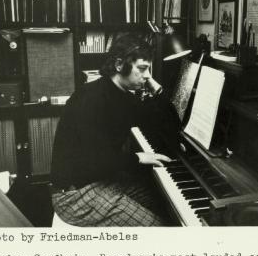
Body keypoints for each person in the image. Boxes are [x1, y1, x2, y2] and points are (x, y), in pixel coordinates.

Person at [50, 34, 172, 227]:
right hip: (74, 195)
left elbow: (159, 121)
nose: (148, 75)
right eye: (142, 68)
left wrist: (157, 90)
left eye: (148, 68)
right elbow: (98, 161)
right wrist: (139, 158)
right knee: (159, 228)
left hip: (101, 179)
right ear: (119, 64)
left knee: (166, 205)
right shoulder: (91, 99)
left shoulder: (121, 94)